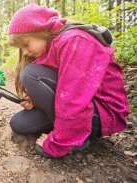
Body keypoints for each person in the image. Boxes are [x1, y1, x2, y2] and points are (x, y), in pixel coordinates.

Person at [7, 4, 129, 158]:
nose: (25, 52)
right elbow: (59, 87)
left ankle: (74, 138)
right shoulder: (51, 47)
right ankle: (69, 130)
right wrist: (35, 101)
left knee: (30, 74)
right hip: (81, 106)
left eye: (26, 44)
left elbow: (73, 98)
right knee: (19, 123)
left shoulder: (74, 41)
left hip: (103, 112)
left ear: (42, 32)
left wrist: (57, 143)